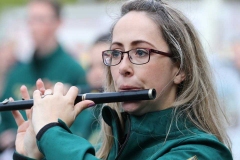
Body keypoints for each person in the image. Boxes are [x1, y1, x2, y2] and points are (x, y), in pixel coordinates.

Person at [11, 0, 232, 159]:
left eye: (141, 52)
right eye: (116, 53)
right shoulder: (106, 148)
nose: (123, 67)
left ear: (180, 69)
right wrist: (31, 153)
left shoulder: (202, 152)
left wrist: (51, 132)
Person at [0, 0, 93, 154]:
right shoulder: (17, 72)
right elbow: (4, 115)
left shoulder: (73, 70)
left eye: (40, 20)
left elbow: (83, 124)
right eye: (31, 20)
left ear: (57, 23)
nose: (33, 27)